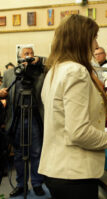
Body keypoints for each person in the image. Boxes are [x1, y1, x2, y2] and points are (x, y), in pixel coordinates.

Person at [38, 15, 107, 199]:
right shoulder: (76, 71)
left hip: (58, 169)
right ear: (82, 39)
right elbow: (78, 132)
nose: (97, 45)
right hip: (73, 172)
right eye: (94, 37)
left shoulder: (56, 69)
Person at [0, 45, 46, 197]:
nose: (29, 56)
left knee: (36, 152)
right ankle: (21, 185)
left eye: (32, 53)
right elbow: (2, 93)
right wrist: (1, 94)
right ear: (19, 57)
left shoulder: (40, 73)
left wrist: (38, 63)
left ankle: (37, 183)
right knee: (19, 154)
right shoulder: (8, 74)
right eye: (26, 53)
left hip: (35, 118)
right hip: (16, 119)